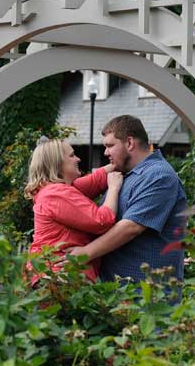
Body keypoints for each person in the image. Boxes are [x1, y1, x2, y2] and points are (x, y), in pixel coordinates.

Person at [67, 115, 187, 286]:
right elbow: (73, 192)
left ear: (130, 143)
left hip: (149, 296)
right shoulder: (124, 175)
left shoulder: (159, 175)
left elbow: (131, 227)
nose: (105, 152)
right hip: (118, 293)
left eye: (110, 146)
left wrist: (85, 253)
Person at [25, 138, 124, 282]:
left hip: (52, 274)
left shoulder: (55, 190)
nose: (78, 159)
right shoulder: (56, 194)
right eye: (71, 156)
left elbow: (95, 181)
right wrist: (114, 188)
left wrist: (119, 162)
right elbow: (102, 221)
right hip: (59, 277)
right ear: (57, 164)